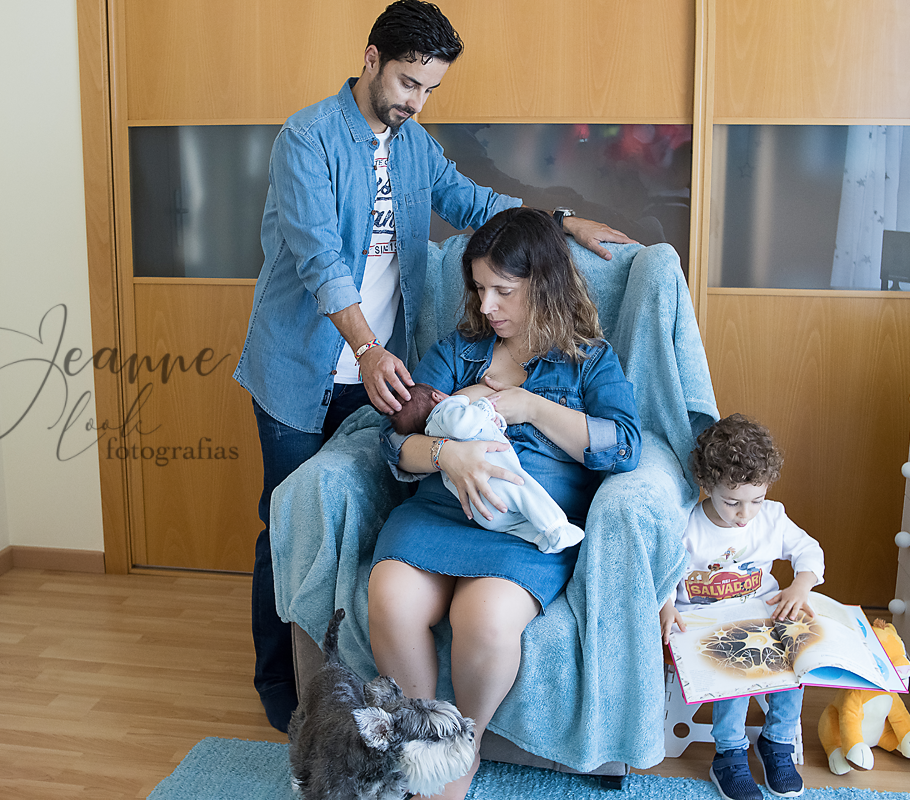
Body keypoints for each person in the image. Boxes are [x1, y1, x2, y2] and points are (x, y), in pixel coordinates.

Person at [232, 0, 635, 732]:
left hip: (387, 367)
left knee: (377, 499)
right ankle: (283, 686)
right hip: (308, 367)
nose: (416, 102)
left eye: (429, 90)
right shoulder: (308, 139)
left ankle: (374, 694)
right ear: (370, 59)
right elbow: (321, 259)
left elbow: (474, 201)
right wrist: (364, 346)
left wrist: (558, 220)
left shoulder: (412, 144)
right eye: (408, 83)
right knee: (289, 519)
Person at [367, 207, 642, 799]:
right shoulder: (457, 351)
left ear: (543, 284)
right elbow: (395, 442)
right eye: (478, 288)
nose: (486, 305)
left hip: (526, 529)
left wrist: (532, 407)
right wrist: (446, 455)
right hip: (438, 513)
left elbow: (624, 446)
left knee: (485, 620)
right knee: (390, 597)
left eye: (502, 290)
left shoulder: (588, 361)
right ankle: (425, 749)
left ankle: (463, 751)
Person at [659, 414, 826, 800]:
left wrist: (801, 584)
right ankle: (730, 755)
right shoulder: (688, 526)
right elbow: (664, 569)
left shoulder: (772, 518)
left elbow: (808, 550)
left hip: (759, 615)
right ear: (707, 485)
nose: (744, 513)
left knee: (796, 656)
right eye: (732, 501)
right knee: (736, 666)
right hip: (703, 624)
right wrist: (666, 605)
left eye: (756, 500)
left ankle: (777, 743)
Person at [388, 382, 584, 553]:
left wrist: (496, 424)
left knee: (513, 524)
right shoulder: (446, 410)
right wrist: (484, 406)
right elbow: (461, 426)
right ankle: (557, 529)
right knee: (529, 495)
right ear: (437, 396)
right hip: (497, 480)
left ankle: (541, 539)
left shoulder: (431, 434)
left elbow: (478, 431)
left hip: (480, 506)